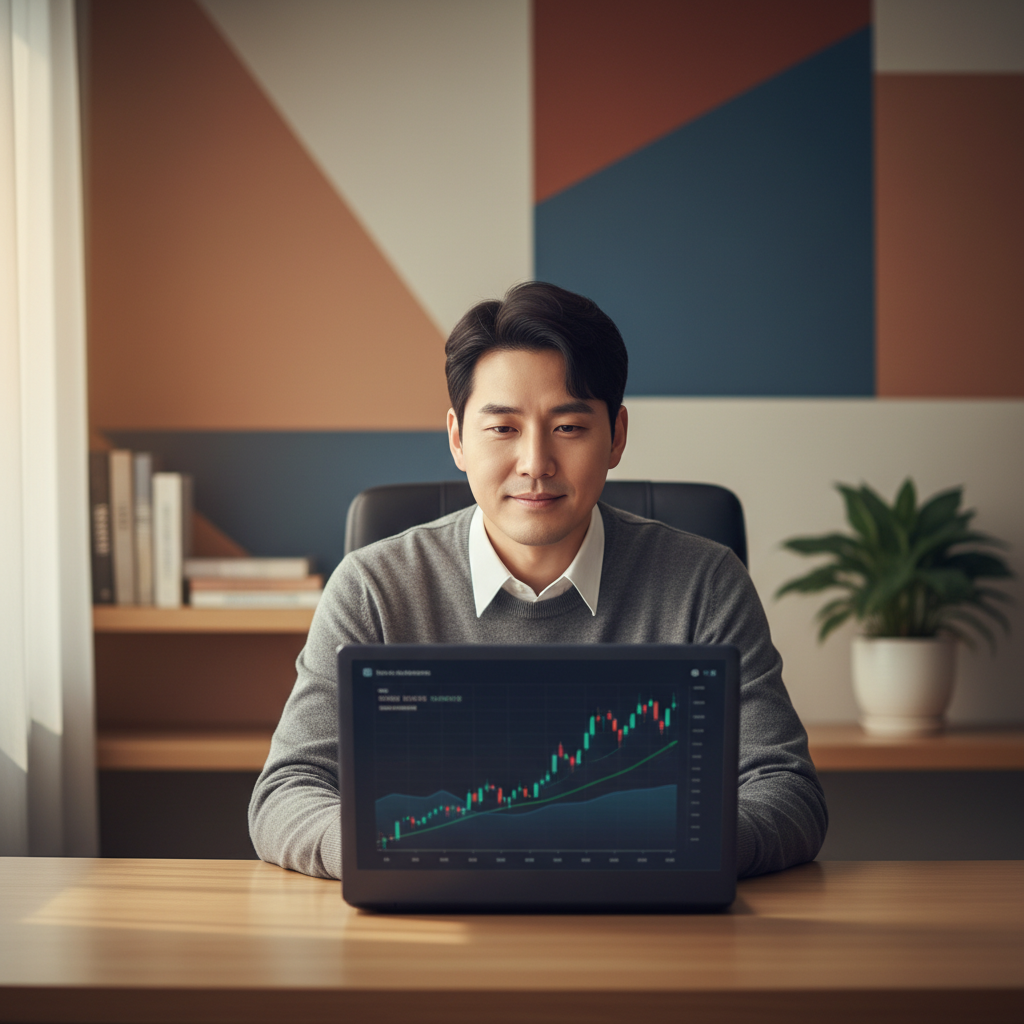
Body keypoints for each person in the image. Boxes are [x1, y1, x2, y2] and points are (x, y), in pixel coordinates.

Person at [249, 282, 827, 880]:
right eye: (502, 429)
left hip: (646, 925)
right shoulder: (372, 587)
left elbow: (785, 790)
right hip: (433, 924)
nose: (535, 463)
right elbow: (287, 791)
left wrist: (659, 845)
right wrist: (403, 849)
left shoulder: (706, 584)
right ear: (456, 438)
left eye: (569, 428)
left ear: (617, 437)